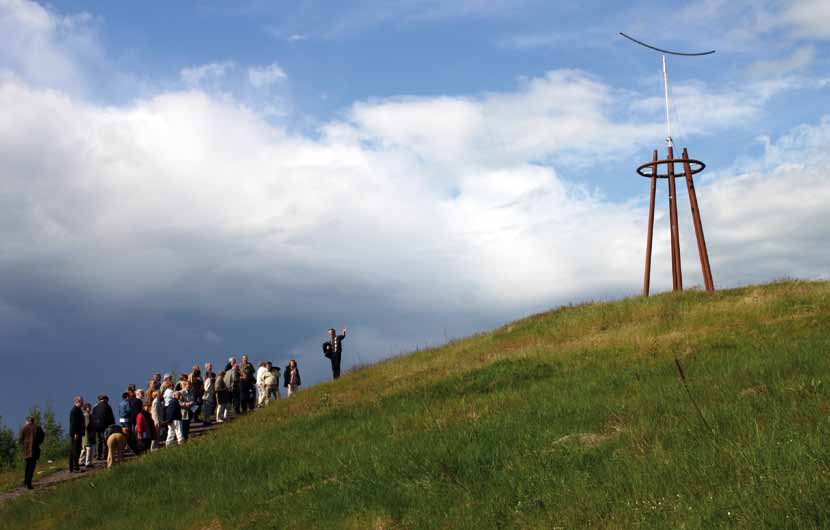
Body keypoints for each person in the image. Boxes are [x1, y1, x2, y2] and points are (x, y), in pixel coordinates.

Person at [19, 416, 45, 489]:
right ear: (33, 421)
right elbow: (42, 436)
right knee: (32, 466)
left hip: (26, 450)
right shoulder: (38, 428)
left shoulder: (24, 428)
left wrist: (24, 445)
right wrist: (38, 443)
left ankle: (26, 481)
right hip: (35, 449)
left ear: (27, 421)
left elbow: (20, 439)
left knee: (27, 465)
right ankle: (28, 483)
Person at [91, 395, 114, 461]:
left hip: (97, 427)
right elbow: (111, 417)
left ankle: (98, 455)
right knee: (105, 440)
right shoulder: (107, 407)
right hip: (105, 426)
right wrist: (112, 425)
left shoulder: (95, 407)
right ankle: (105, 455)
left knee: (99, 441)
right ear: (105, 399)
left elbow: (93, 417)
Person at [68, 396, 85, 473]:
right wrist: (75, 433)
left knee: (75, 450)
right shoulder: (74, 411)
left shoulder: (78, 410)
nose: (83, 403)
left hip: (78, 433)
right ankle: (75, 468)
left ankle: (72, 467)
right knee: (75, 450)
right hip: (76, 434)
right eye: (82, 401)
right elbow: (73, 423)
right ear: (78, 402)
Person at [79, 402, 94, 468]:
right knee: (88, 448)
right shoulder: (87, 415)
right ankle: (88, 462)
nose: (90, 408)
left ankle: (81, 461)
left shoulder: (83, 415)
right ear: (86, 408)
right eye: (88, 407)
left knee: (84, 448)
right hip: (87, 433)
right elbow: (88, 425)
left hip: (83, 433)